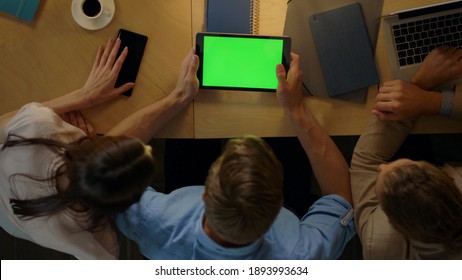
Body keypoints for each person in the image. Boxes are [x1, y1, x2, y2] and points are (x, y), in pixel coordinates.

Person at [115, 53, 356, 260]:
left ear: (205, 195)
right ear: (277, 210)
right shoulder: (301, 253)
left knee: (186, 133)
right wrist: (296, 109)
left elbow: (104, 158)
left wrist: (177, 97)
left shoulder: (154, 219)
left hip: (177, 232)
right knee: (284, 134)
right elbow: (341, 195)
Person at [0, 38, 200, 259]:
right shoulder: (94, 240)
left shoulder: (35, 127)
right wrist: (179, 96)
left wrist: (85, 96)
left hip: (13, 213)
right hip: (18, 220)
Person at [350, 45, 462, 259]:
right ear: (446, 175)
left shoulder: (378, 243)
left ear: (395, 224)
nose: (381, 166)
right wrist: (431, 101)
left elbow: (365, 161)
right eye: (414, 163)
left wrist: (418, 85)